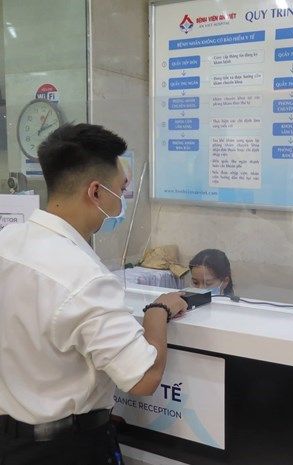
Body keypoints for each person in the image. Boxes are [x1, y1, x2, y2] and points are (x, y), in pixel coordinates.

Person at [0, 124, 188, 464]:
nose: (122, 201)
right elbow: (144, 379)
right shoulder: (84, 277)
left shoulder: (7, 242)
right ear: (96, 192)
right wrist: (157, 313)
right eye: (122, 189)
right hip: (64, 450)